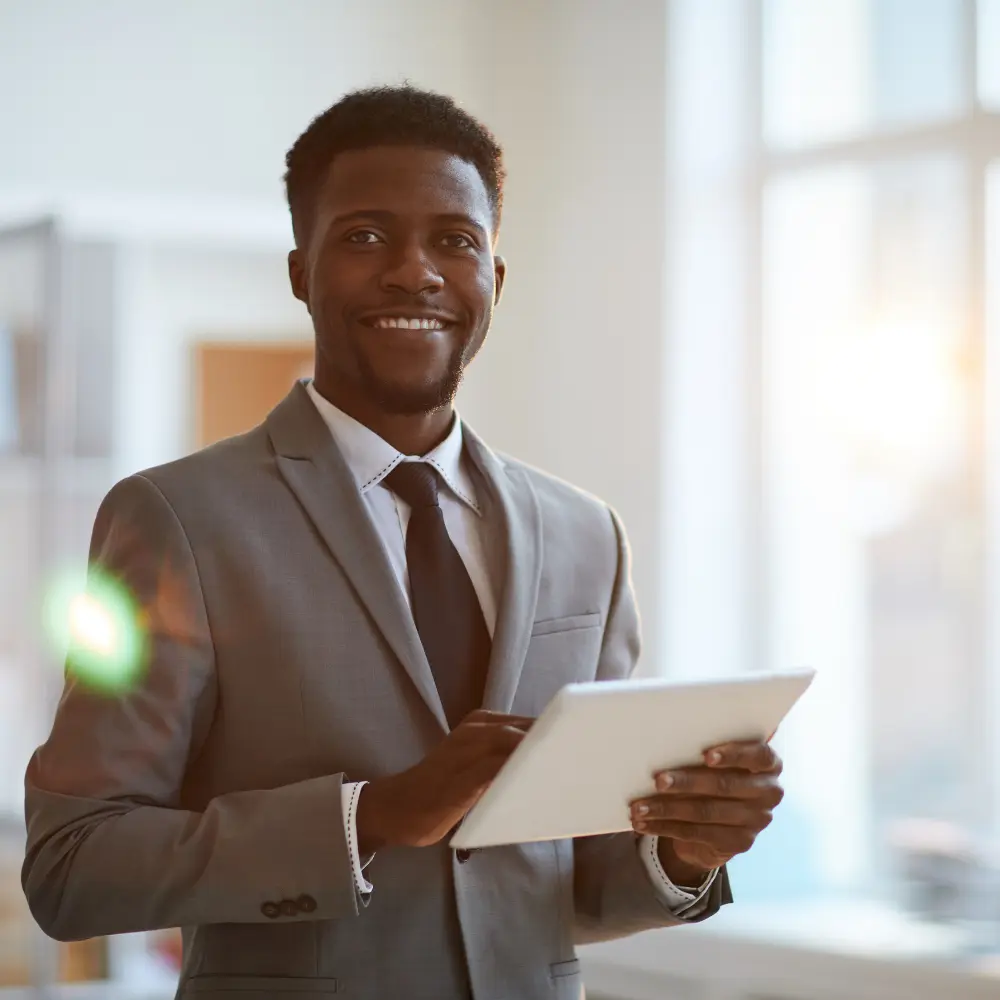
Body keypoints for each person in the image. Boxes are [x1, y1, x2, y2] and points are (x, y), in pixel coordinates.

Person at [21, 86, 784, 1000]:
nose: (414, 272)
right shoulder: (179, 519)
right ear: (301, 271)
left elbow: (563, 881)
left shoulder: (586, 535)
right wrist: (370, 816)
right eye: (366, 236)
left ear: (495, 278)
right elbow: (72, 864)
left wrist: (683, 850)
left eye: (455, 240)